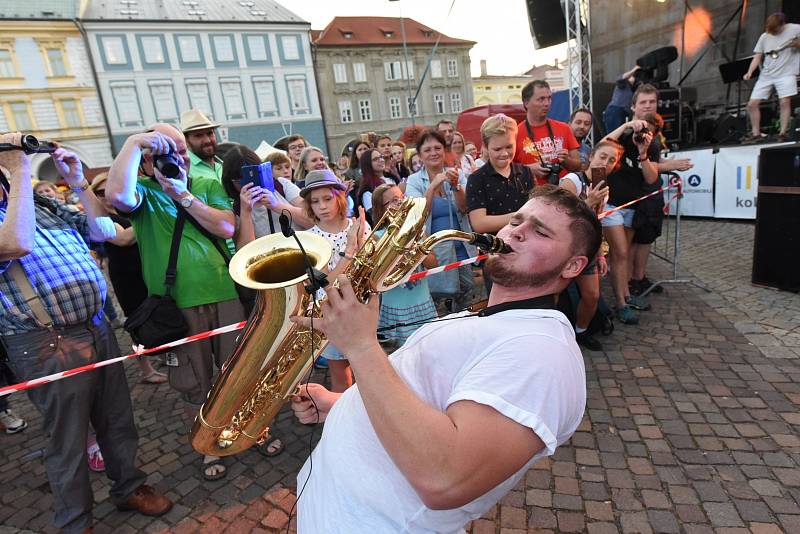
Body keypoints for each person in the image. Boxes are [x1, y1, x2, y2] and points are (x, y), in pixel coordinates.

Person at [290, 185, 597, 533]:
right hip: (338, 509)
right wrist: (340, 403)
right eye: (516, 220)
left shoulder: (543, 354)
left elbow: (444, 477)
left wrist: (361, 347)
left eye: (539, 231)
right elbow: (424, 395)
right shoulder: (492, 317)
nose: (515, 232)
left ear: (573, 265)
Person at [0, 132, 172, 533]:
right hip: (45, 340)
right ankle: (76, 521)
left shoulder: (37, 204)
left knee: (116, 420)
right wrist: (20, 170)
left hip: (95, 326)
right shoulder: (19, 211)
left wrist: (78, 183)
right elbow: (16, 243)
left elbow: (102, 231)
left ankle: (128, 487)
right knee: (69, 438)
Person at [105, 124, 247, 482]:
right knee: (192, 382)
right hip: (176, 306)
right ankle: (206, 445)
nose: (180, 158)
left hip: (223, 293)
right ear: (149, 161)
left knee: (237, 370)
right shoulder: (144, 193)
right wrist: (134, 143)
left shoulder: (205, 184)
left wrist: (184, 196)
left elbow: (227, 228)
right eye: (170, 153)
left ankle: (247, 430)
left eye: (183, 151)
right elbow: (116, 196)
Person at [89, 173, 166, 385]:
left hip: (147, 269)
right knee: (135, 321)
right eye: (100, 192)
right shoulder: (101, 219)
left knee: (158, 312)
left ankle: (159, 351)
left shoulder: (129, 210)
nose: (106, 196)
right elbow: (122, 239)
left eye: (109, 190)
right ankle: (146, 369)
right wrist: (152, 218)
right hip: (126, 276)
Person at [301, 170, 369, 392]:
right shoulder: (310, 239)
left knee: (367, 372)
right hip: (329, 312)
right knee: (341, 377)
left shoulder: (358, 225)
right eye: (315, 201)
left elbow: (369, 267)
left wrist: (364, 241)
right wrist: (349, 252)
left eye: (327, 199)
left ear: (339, 197)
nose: (321, 206)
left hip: (360, 307)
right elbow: (324, 283)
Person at [601, 97, 662, 324]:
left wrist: (643, 151)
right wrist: (626, 127)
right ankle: (621, 304)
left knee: (622, 255)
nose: (642, 133)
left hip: (632, 206)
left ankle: (626, 295)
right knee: (621, 253)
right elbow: (602, 144)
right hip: (611, 205)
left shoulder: (651, 145)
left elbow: (651, 177)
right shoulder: (624, 136)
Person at [406, 130, 475, 312]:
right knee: (436, 303)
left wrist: (456, 186)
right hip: (432, 254)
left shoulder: (457, 174)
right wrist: (433, 184)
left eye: (437, 148)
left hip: (461, 249)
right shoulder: (414, 181)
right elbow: (416, 213)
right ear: (420, 155)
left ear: (444, 151)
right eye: (427, 149)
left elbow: (465, 208)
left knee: (466, 300)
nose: (433, 153)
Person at [559, 141, 619, 350]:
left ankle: (581, 331)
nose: (606, 162)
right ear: (591, 156)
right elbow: (561, 216)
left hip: (587, 250)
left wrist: (601, 254)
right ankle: (556, 336)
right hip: (563, 250)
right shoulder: (573, 180)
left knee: (592, 296)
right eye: (603, 156)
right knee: (555, 296)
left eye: (612, 160)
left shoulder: (604, 189)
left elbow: (597, 221)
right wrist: (588, 201)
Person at [467, 115, 536, 295]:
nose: (504, 153)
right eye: (497, 148)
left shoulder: (525, 172)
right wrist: (521, 216)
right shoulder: (477, 179)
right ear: (485, 147)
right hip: (495, 255)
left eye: (509, 147)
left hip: (528, 250)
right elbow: (479, 223)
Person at [371, 183, 437, 345]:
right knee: (407, 350)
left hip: (422, 302)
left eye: (402, 197)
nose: (401, 202)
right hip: (399, 307)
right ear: (382, 209)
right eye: (394, 200)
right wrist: (404, 248)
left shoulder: (418, 229)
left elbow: (433, 264)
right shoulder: (377, 237)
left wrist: (418, 245)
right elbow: (383, 274)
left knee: (430, 344)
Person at [221, 146, 312, 248]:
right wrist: (245, 213)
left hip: (303, 253)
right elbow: (244, 251)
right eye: (239, 181)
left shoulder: (281, 185)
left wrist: (277, 206)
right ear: (230, 182)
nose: (249, 185)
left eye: (253, 177)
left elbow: (312, 221)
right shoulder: (236, 209)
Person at [743, 12, 800, 143]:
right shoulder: (764, 36)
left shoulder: (795, 29)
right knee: (752, 104)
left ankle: (782, 133)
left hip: (786, 73)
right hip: (767, 75)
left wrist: (797, 44)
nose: (773, 32)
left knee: (784, 102)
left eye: (775, 29)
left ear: (782, 25)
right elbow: (757, 56)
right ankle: (756, 133)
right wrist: (750, 72)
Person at [514, 80, 582, 186]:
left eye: (549, 98)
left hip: (562, 193)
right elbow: (505, 169)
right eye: (541, 99)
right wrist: (528, 169)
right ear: (526, 103)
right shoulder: (515, 134)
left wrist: (566, 160)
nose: (546, 103)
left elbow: (578, 165)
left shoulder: (564, 128)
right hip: (532, 195)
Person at [356, 148, 397, 224]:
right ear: (367, 164)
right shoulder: (367, 188)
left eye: (381, 157)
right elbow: (375, 215)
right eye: (375, 159)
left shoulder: (392, 178)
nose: (381, 160)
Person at [181, 109, 223, 182]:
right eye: (198, 135)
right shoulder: (183, 170)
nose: (207, 140)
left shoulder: (223, 165)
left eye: (210, 133)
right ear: (186, 140)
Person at [603, 65, 640, 134]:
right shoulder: (623, 84)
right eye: (632, 76)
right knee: (614, 134)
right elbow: (620, 78)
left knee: (619, 135)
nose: (633, 78)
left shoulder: (633, 90)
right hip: (614, 111)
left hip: (622, 113)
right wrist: (634, 70)